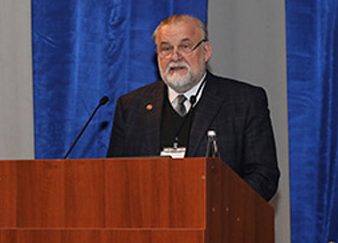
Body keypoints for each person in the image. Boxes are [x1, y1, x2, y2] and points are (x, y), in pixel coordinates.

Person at [106, 14, 280, 201]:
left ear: (206, 51)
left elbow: (263, 176)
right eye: (166, 48)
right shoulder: (131, 107)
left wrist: (219, 207)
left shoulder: (244, 102)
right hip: (148, 217)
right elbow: (113, 177)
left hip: (219, 216)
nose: (175, 57)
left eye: (185, 46)